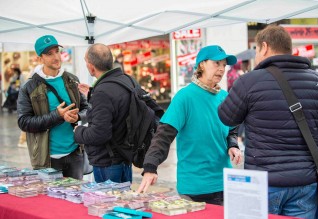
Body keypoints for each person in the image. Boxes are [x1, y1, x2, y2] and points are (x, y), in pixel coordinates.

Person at [218, 25, 318, 219]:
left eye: (256, 50)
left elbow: (226, 117)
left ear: (264, 47)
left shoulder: (249, 81)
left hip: (263, 183)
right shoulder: (316, 80)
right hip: (306, 183)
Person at [137, 45, 242, 205]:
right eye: (216, 63)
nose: (221, 69)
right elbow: (163, 135)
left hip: (224, 182)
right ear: (201, 64)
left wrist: (232, 145)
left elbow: (231, 129)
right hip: (195, 187)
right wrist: (150, 167)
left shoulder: (224, 96)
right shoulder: (184, 97)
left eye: (224, 65)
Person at [17, 35, 88, 180]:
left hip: (75, 154)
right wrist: (57, 115)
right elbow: (24, 122)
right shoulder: (29, 87)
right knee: (50, 202)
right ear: (40, 58)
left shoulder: (72, 80)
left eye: (57, 51)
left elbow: (87, 109)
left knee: (74, 201)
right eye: (49, 54)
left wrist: (78, 116)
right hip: (46, 158)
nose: (56, 57)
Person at [74, 43, 133, 183]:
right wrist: (93, 92)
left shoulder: (102, 92)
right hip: (124, 157)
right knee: (123, 202)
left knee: (107, 203)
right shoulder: (126, 80)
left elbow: (99, 134)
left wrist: (78, 131)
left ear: (91, 66)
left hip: (108, 162)